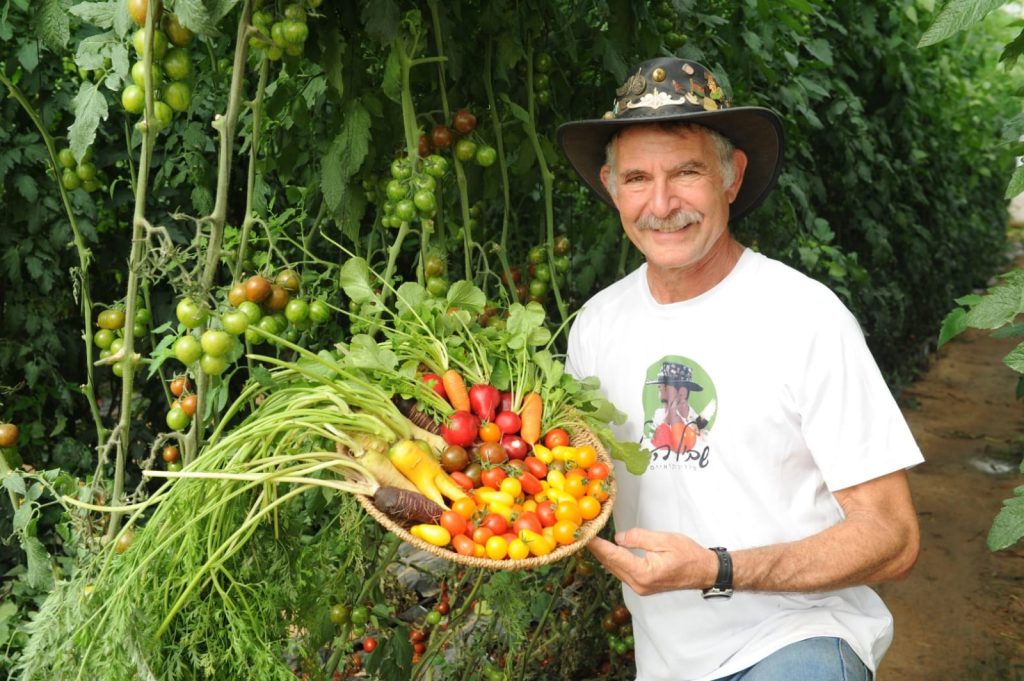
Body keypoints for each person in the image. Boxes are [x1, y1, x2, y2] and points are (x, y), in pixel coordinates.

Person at [558, 57, 923, 681]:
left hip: (796, 640)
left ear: (732, 176)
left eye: (688, 172)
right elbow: (570, 481)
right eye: (639, 177)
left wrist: (717, 568)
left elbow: (894, 537)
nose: (662, 203)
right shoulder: (597, 325)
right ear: (611, 186)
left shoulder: (804, 316)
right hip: (667, 659)